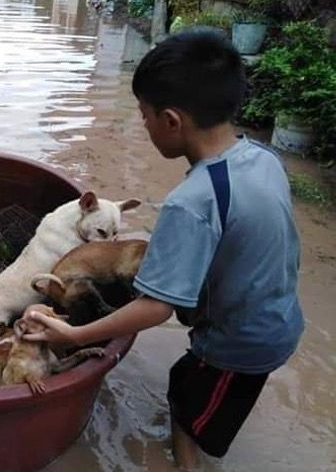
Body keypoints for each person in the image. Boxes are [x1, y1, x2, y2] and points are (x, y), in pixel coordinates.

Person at [23, 29, 304, 469]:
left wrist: (74, 335)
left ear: (171, 121)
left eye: (143, 115)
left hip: (240, 343)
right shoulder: (264, 158)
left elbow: (156, 308)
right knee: (184, 384)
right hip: (278, 315)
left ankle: (184, 460)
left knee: (196, 418)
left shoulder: (191, 202)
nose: (143, 124)